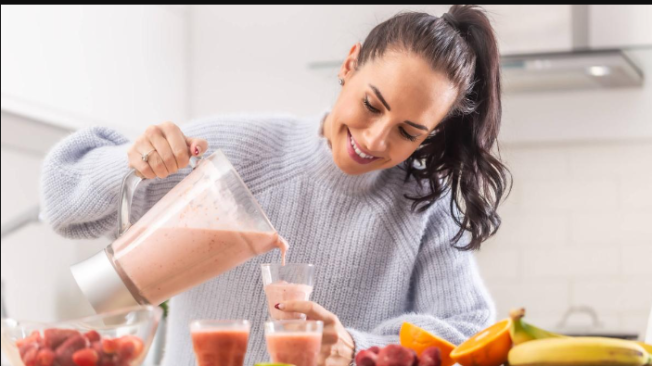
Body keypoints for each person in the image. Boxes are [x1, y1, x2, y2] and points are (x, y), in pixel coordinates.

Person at [40, 5, 511, 366]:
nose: (374, 138)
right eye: (371, 104)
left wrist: (353, 347)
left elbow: (468, 331)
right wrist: (131, 163)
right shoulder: (234, 152)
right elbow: (61, 203)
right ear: (350, 65)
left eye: (409, 132)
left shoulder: (423, 204)